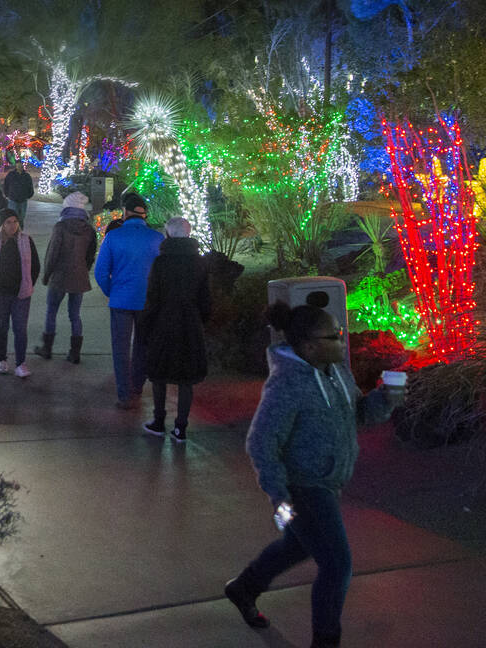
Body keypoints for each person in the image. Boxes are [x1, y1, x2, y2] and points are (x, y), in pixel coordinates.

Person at [225, 301, 404, 648]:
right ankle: (326, 641)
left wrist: (387, 397)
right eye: (333, 336)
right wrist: (279, 494)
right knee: (337, 565)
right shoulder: (287, 386)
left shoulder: (336, 371)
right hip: (302, 488)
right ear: (308, 346)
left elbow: (360, 414)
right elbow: (261, 441)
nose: (342, 340)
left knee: (296, 546)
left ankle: (243, 588)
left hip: (328, 482)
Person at [141, 217, 211, 441]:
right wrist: (202, 320)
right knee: (186, 379)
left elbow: (153, 297)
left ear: (168, 234)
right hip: (190, 325)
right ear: (189, 234)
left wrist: (146, 323)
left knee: (159, 374)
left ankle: (159, 421)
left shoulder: (161, 262)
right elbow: (205, 299)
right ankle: (181, 427)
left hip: (163, 323)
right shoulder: (199, 263)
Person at [94, 193, 163, 409]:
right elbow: (162, 273)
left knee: (121, 348)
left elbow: (101, 271)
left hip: (121, 300)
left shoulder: (113, 237)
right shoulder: (157, 238)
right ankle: (138, 385)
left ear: (126, 213)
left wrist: (111, 291)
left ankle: (124, 393)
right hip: (147, 301)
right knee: (142, 344)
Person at [35, 192, 98, 364]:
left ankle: (47, 348)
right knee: (75, 315)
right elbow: (91, 254)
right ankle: (75, 352)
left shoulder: (60, 227)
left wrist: (46, 275)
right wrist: (84, 269)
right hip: (79, 276)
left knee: (51, 311)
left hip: (60, 276)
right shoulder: (89, 230)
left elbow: (52, 254)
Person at [0, 208, 40, 377]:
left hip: (21, 293)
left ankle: (20, 363)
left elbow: (35, 265)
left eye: (15, 222)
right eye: (8, 222)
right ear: (2, 225)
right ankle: (2, 360)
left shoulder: (26, 240)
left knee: (20, 328)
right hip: (0, 292)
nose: (12, 226)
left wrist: (28, 282)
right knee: (2, 327)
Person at [2, 160, 35, 226]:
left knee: (21, 217)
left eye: (21, 165)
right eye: (18, 165)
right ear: (16, 166)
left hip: (23, 199)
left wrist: (29, 195)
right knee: (13, 216)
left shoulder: (26, 176)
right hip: (13, 199)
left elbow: (30, 186)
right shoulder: (11, 175)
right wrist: (7, 194)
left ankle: (20, 230)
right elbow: (6, 184)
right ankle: (13, 230)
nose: (20, 167)